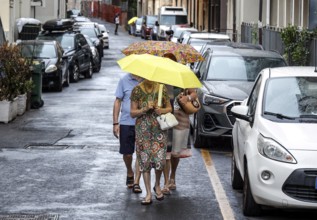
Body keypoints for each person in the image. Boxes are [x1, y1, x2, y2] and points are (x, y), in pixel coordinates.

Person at [130, 79, 172, 205]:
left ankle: (157, 185)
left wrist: (161, 110)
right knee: (144, 161)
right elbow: (132, 112)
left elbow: (169, 107)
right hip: (143, 131)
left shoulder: (161, 88)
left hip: (159, 130)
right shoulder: (136, 90)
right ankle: (148, 193)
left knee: (160, 160)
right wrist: (144, 109)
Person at [113, 73, 142, 193]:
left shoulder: (147, 80)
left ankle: (136, 181)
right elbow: (118, 101)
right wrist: (115, 123)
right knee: (127, 154)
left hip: (143, 123)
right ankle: (130, 171)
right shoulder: (124, 80)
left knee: (141, 153)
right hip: (126, 122)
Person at [168, 87, 198, 191]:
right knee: (165, 152)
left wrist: (187, 98)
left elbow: (194, 93)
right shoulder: (162, 76)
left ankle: (172, 177)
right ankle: (163, 182)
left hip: (180, 120)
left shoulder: (183, 78)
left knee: (175, 153)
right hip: (165, 117)